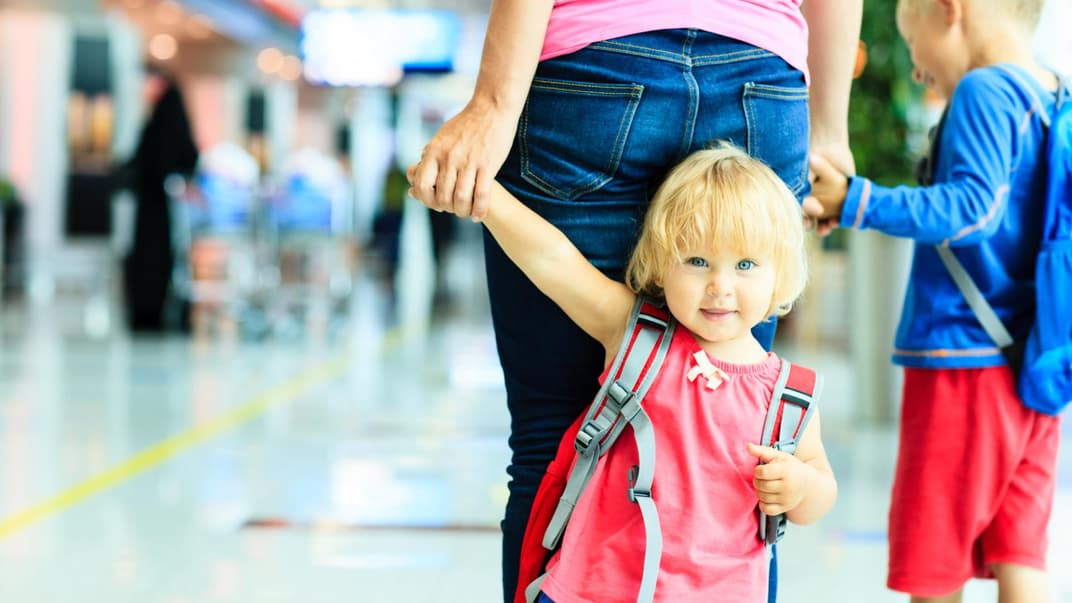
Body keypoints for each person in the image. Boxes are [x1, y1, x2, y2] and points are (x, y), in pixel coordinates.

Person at [407, 2, 861, 599]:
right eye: (697, 263)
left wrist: (494, 104)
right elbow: (553, 265)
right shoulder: (642, 334)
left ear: (782, 281)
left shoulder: (787, 394)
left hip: (593, 71)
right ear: (661, 261)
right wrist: (828, 126)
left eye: (745, 267)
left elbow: (812, 482)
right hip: (764, 80)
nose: (721, 288)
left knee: (555, 441)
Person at [807, 0, 1060, 600]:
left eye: (913, 43)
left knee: (934, 558)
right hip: (1034, 363)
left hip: (963, 363)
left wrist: (857, 201)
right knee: (1020, 554)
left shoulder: (983, 91)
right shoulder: (1051, 94)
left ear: (951, 12)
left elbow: (971, 209)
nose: (917, 69)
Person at [122, 70, 199, 332]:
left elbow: (149, 162)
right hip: (161, 206)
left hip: (155, 206)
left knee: (152, 258)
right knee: (160, 258)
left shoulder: (159, 124)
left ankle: (149, 310)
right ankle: (155, 308)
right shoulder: (170, 122)